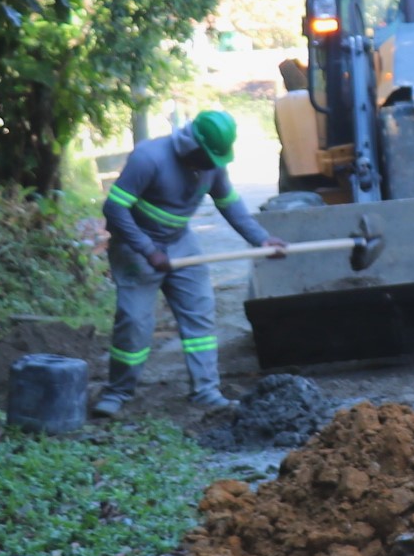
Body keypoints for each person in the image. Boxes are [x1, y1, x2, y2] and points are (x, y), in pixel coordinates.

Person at [95, 109, 284, 416]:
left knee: (200, 313)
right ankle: (118, 391)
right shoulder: (149, 158)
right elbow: (114, 210)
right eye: (209, 156)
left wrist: (261, 239)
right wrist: (147, 250)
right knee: (135, 322)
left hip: (180, 242)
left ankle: (206, 391)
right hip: (136, 244)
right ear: (192, 145)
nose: (213, 164)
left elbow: (229, 204)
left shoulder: (212, 165)